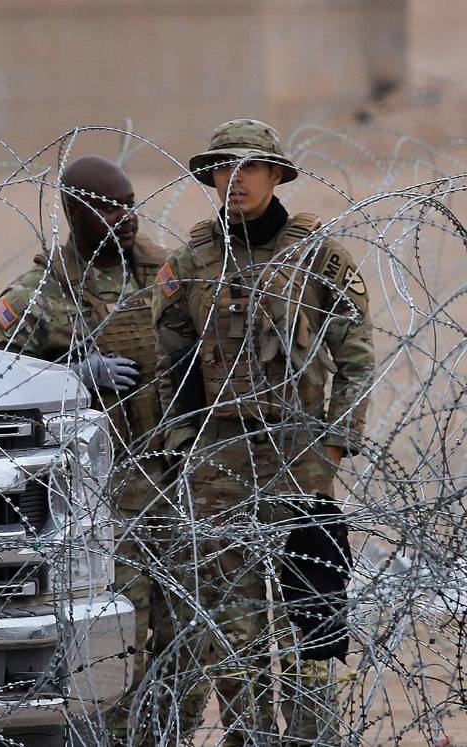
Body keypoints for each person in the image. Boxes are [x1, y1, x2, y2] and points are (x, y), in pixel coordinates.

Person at [150, 119, 374, 746]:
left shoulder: (319, 255)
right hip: (218, 459)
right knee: (231, 623)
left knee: (311, 617)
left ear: (276, 176)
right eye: (224, 168)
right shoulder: (190, 263)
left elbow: (354, 355)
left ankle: (310, 736)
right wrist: (181, 444)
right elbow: (171, 361)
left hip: (299, 455)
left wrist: (335, 439)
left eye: (250, 167)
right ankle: (248, 735)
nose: (236, 179)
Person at [0, 155, 189, 745]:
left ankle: (167, 731)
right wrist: (74, 373)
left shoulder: (165, 274)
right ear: (77, 210)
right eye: (109, 205)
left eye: (130, 203)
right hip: (105, 490)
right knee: (127, 628)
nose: (125, 217)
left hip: (177, 472)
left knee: (189, 631)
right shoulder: (45, 292)